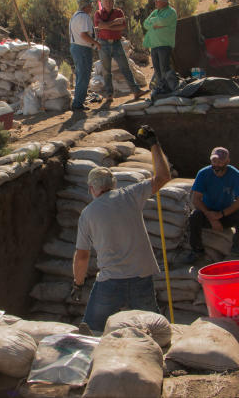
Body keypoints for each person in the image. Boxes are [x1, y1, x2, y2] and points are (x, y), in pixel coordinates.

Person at [71, 125, 172, 332]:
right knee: (153, 329)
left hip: (110, 281)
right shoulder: (130, 194)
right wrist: (154, 144)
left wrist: (78, 283)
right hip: (141, 277)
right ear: (113, 184)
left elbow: (82, 256)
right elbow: (163, 177)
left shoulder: (88, 213)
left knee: (92, 331)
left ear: (92, 188)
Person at [177, 147, 239, 265]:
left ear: (227, 162)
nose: (216, 164)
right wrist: (211, 217)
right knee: (194, 216)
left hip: (225, 214)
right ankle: (197, 250)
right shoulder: (203, 173)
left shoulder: (235, 174)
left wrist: (221, 215)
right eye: (214, 161)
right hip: (207, 213)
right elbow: (196, 199)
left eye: (220, 162)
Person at [93, 0, 145, 99]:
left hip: (116, 43)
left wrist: (107, 26)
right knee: (106, 70)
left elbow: (121, 27)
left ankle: (136, 90)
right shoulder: (98, 13)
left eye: (111, 1)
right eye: (106, 1)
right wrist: (114, 22)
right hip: (104, 44)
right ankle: (109, 94)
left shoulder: (118, 12)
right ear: (102, 2)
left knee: (125, 67)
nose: (109, 3)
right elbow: (99, 25)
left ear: (113, 2)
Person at [142, 0, 178, 98]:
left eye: (157, 1)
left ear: (163, 2)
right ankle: (160, 87)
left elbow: (162, 22)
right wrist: (155, 23)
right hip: (154, 45)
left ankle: (170, 88)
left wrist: (155, 22)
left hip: (164, 44)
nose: (156, 3)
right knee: (157, 69)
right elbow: (145, 24)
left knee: (164, 67)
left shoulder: (171, 12)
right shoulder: (155, 13)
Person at [70, 0, 100, 111]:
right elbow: (83, 35)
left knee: (80, 75)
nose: (92, 7)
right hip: (82, 48)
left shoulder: (76, 16)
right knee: (84, 76)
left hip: (76, 47)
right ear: (85, 6)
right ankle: (78, 104)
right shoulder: (84, 17)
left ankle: (78, 101)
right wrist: (95, 43)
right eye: (90, 5)